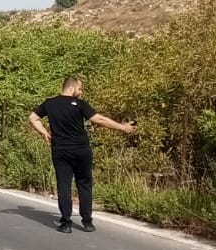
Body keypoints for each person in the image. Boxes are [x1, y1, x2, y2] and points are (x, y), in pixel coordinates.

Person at [29, 76, 136, 233]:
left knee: (64, 186)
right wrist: (122, 127)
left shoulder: (49, 103)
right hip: (81, 150)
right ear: (71, 88)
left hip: (60, 150)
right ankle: (87, 222)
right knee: (84, 184)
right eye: (80, 89)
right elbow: (99, 119)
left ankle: (66, 223)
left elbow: (33, 118)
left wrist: (44, 133)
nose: (81, 92)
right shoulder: (80, 105)